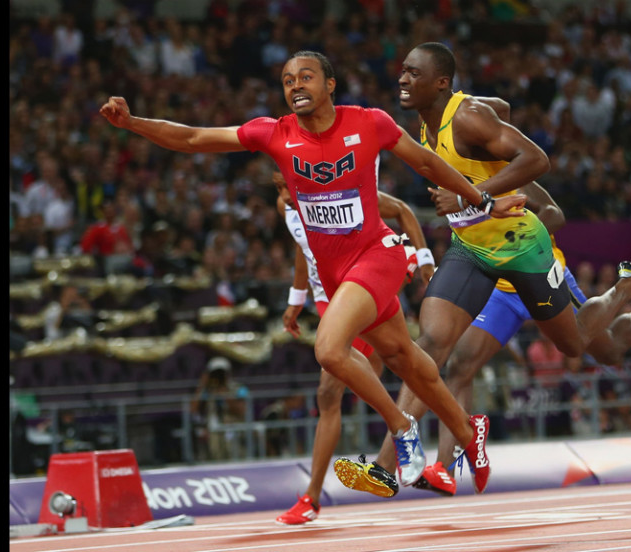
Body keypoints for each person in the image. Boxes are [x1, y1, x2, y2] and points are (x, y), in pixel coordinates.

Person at [100, 50, 525, 497]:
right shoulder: (273, 133)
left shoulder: (370, 122)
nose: (296, 86)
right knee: (408, 362)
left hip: (377, 256)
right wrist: (133, 123)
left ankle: (401, 428)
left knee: (328, 349)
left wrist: (481, 200)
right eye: (287, 81)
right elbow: (191, 138)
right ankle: (467, 432)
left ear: (330, 84)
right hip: (336, 272)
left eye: (306, 77)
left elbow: (426, 163)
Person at [333, 42, 631, 497]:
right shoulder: (430, 126)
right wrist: (487, 117)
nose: (402, 79)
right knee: (430, 347)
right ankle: (388, 467)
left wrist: (471, 192)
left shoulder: (467, 118)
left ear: (440, 82)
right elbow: (497, 109)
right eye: (401, 71)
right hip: (471, 250)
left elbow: (537, 159)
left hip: (523, 249)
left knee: (576, 343)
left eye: (413, 72)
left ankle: (626, 289)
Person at [272, 169, 434, 525]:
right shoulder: (287, 206)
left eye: (288, 187)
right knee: (334, 393)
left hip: (356, 288)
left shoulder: (338, 191)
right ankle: (410, 432)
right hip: (324, 298)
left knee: (334, 385)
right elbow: (303, 248)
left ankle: (404, 432)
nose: (284, 195)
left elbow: (403, 210)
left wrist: (421, 258)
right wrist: (295, 300)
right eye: (279, 188)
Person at [191, 356, 249, 461]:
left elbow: (242, 411)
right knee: (216, 459)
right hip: (214, 433)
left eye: (221, 373)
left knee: (236, 459)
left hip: (234, 431)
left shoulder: (239, 389)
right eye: (215, 373)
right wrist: (202, 385)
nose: (219, 377)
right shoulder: (207, 391)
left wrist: (225, 394)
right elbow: (193, 410)